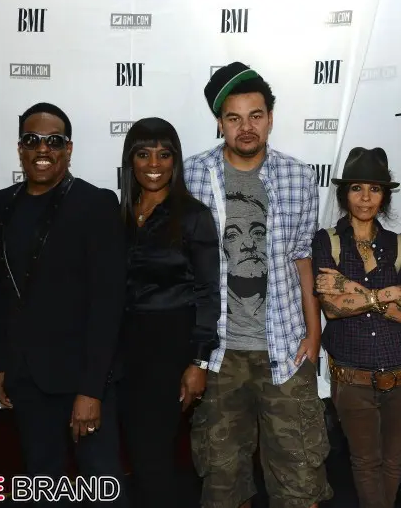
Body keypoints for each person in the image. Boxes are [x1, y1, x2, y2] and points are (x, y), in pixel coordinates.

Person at [184, 62, 333, 508]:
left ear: (270, 118)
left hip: (284, 348)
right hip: (218, 354)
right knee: (223, 481)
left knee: (299, 481)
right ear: (219, 122)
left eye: (255, 116)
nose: (245, 127)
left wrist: (314, 335)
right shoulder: (192, 175)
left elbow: (302, 258)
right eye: (234, 118)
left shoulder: (298, 176)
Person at [0, 102, 128, 507]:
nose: (42, 149)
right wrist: (1, 364)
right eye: (32, 140)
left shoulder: (96, 203)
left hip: (83, 378)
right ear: (20, 148)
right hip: (27, 379)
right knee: (42, 485)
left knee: (102, 488)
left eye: (54, 141)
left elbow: (108, 303)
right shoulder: (2, 204)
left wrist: (91, 390)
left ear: (69, 148)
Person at [312, 147, 401, 508]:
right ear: (343, 194)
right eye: (357, 188)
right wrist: (388, 293)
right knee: (365, 461)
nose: (365, 198)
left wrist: (353, 289)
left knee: (394, 460)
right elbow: (332, 308)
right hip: (353, 376)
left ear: (384, 197)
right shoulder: (327, 240)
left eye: (374, 189)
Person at [118, 117, 220, 508]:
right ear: (130, 161)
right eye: (143, 154)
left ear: (175, 161)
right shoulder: (121, 214)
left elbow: (208, 293)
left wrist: (199, 362)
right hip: (126, 353)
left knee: (154, 455)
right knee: (138, 454)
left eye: (164, 155)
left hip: (171, 350)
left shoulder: (193, 215)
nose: (153, 164)